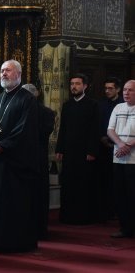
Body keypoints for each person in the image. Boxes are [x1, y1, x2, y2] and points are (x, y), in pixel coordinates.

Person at [0, 60, 39, 252]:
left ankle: (10, 242)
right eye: (2, 71)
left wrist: (3, 145)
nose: (3, 74)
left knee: (10, 204)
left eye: (8, 71)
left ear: (18, 75)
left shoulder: (27, 99)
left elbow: (25, 130)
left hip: (13, 163)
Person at [55, 73, 100, 225]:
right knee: (68, 183)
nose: (74, 86)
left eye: (77, 84)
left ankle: (83, 217)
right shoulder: (67, 105)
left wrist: (92, 151)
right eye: (72, 84)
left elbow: (95, 130)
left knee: (83, 184)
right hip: (69, 151)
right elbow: (63, 129)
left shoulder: (93, 105)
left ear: (85, 86)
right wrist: (59, 148)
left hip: (85, 152)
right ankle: (67, 216)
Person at [22, 83, 55, 239]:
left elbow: (42, 134)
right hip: (28, 159)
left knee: (37, 195)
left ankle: (36, 228)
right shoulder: (46, 112)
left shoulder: (46, 113)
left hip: (36, 158)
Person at [107, 80, 135, 238]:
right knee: (120, 194)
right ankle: (125, 228)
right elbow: (110, 130)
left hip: (133, 160)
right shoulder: (118, 107)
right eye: (125, 90)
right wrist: (120, 144)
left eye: (130, 90)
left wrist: (128, 146)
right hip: (118, 159)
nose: (126, 93)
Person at [97, 77, 124, 222]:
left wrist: (115, 142)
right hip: (103, 147)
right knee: (104, 180)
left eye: (110, 88)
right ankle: (104, 210)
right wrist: (102, 137)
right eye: (106, 88)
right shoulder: (101, 104)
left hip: (120, 148)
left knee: (117, 181)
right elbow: (99, 123)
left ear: (118, 89)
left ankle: (117, 211)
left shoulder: (123, 105)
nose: (107, 91)